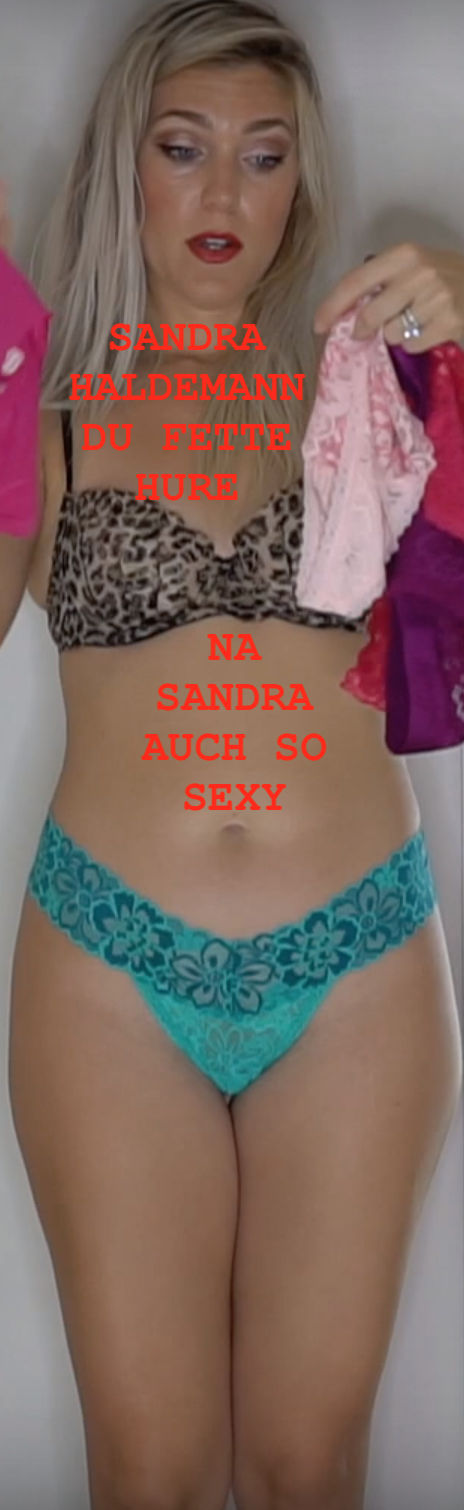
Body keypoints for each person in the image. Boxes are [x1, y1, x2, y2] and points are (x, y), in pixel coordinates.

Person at [1, 2, 462, 1507]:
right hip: (108, 968)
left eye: (265, 156)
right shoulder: (55, 400)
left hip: (360, 963)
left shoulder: (371, 378)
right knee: (150, 1473)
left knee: (307, 1467)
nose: (223, 193)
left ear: (301, 178)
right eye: (182, 147)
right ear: (121, 166)